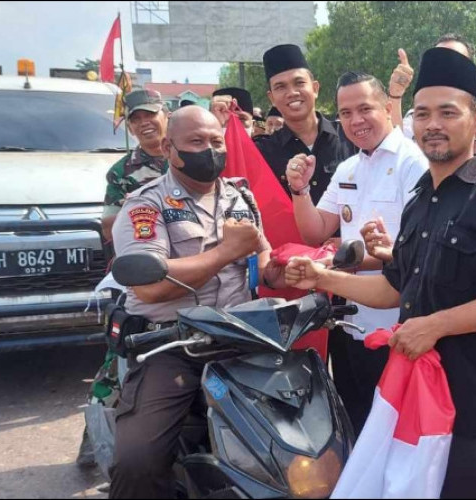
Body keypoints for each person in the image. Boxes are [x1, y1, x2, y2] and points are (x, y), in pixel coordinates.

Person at [286, 47, 476, 498]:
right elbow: (395, 286)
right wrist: (321, 278)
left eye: (448, 112)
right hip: (412, 389)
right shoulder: (423, 197)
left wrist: (435, 325)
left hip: (474, 395)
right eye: (422, 114)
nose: (433, 124)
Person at [108, 106, 284, 499]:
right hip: (170, 346)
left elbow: (261, 260)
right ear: (169, 147)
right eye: (196, 142)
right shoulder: (145, 205)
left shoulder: (240, 195)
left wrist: (286, 272)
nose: (210, 149)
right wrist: (224, 252)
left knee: (292, 441)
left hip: (238, 339)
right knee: (137, 460)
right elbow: (149, 289)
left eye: (216, 141)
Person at [285, 71, 428, 435]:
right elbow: (316, 228)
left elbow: (413, 255)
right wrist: (299, 191)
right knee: (356, 417)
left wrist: (334, 264)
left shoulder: (415, 164)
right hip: (349, 320)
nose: (355, 120)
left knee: (394, 429)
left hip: (396, 323)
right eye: (345, 113)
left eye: (364, 108)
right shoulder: (350, 167)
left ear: (386, 106)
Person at [389, 33, 476, 177]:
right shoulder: (418, 118)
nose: (434, 125)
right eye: (439, 59)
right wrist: (396, 95)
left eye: (455, 60)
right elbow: (396, 148)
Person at [255, 44, 356, 204]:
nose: (292, 93)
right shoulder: (262, 152)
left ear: (315, 88)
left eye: (299, 83)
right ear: (272, 98)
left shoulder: (350, 137)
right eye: (280, 87)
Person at [102, 89, 170, 242]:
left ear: (167, 116)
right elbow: (108, 229)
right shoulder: (120, 172)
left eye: (150, 114)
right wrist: (134, 209)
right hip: (147, 249)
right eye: (136, 119)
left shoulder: (189, 155)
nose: (144, 122)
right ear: (130, 128)